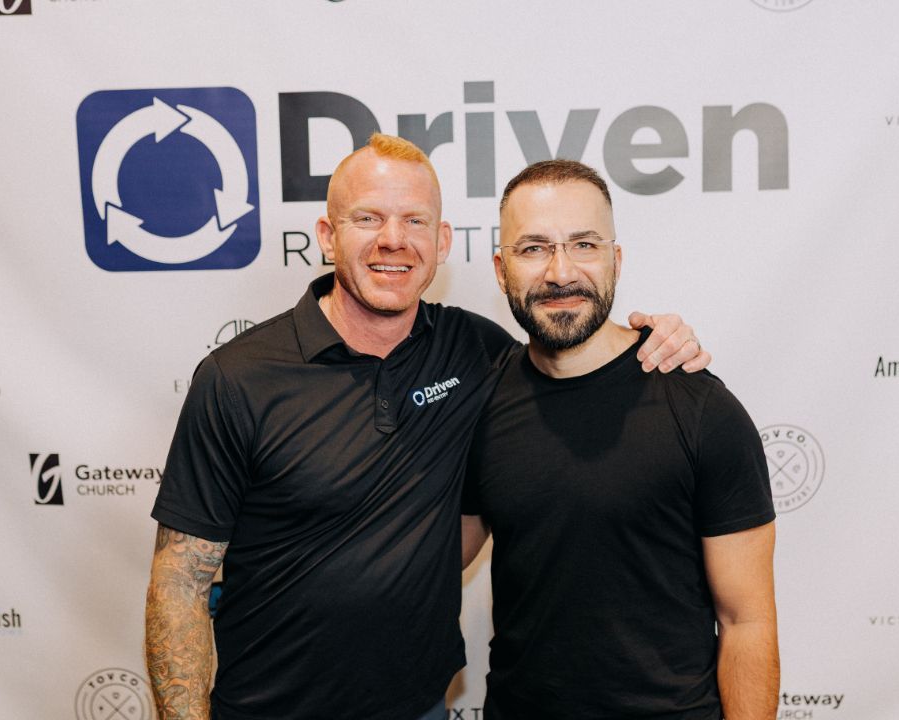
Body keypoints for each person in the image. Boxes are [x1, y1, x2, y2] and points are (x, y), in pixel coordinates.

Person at [144, 135, 709, 720]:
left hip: (419, 708)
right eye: (368, 217)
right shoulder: (238, 377)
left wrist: (658, 335)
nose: (393, 239)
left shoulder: (477, 353)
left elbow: (570, 350)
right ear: (327, 236)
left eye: (415, 220)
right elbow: (179, 581)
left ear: (441, 243)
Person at [461, 160, 778, 720]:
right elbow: (431, 560)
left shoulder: (700, 409)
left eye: (584, 244)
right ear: (500, 267)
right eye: (533, 248)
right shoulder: (478, 405)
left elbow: (746, 621)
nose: (561, 272)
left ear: (616, 259)